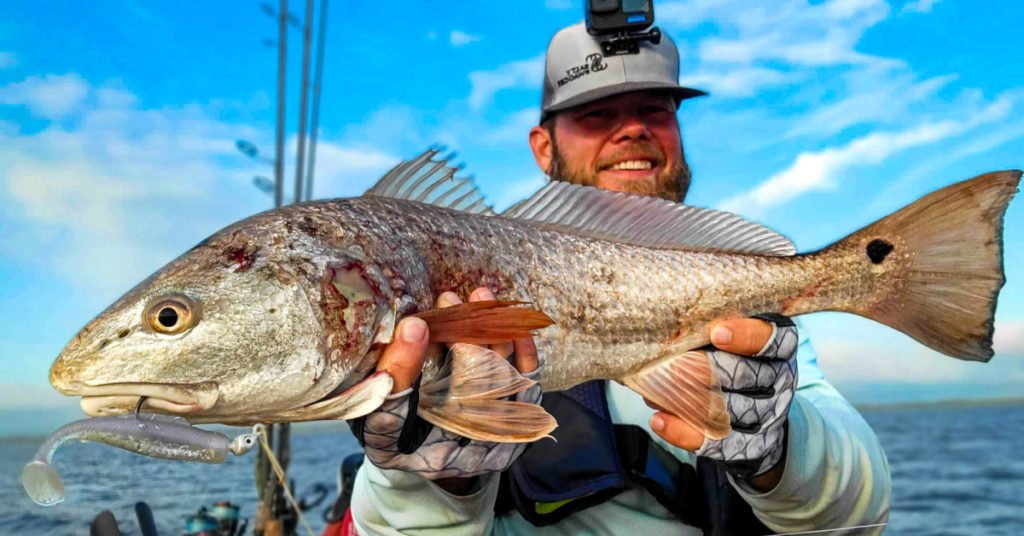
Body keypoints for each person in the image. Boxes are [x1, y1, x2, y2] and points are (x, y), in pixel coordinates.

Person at [344, 22, 891, 535]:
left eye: (655, 109)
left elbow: (861, 516)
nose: (633, 129)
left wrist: (782, 445)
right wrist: (434, 478)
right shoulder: (464, 261)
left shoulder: (750, 311)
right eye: (597, 114)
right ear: (542, 147)